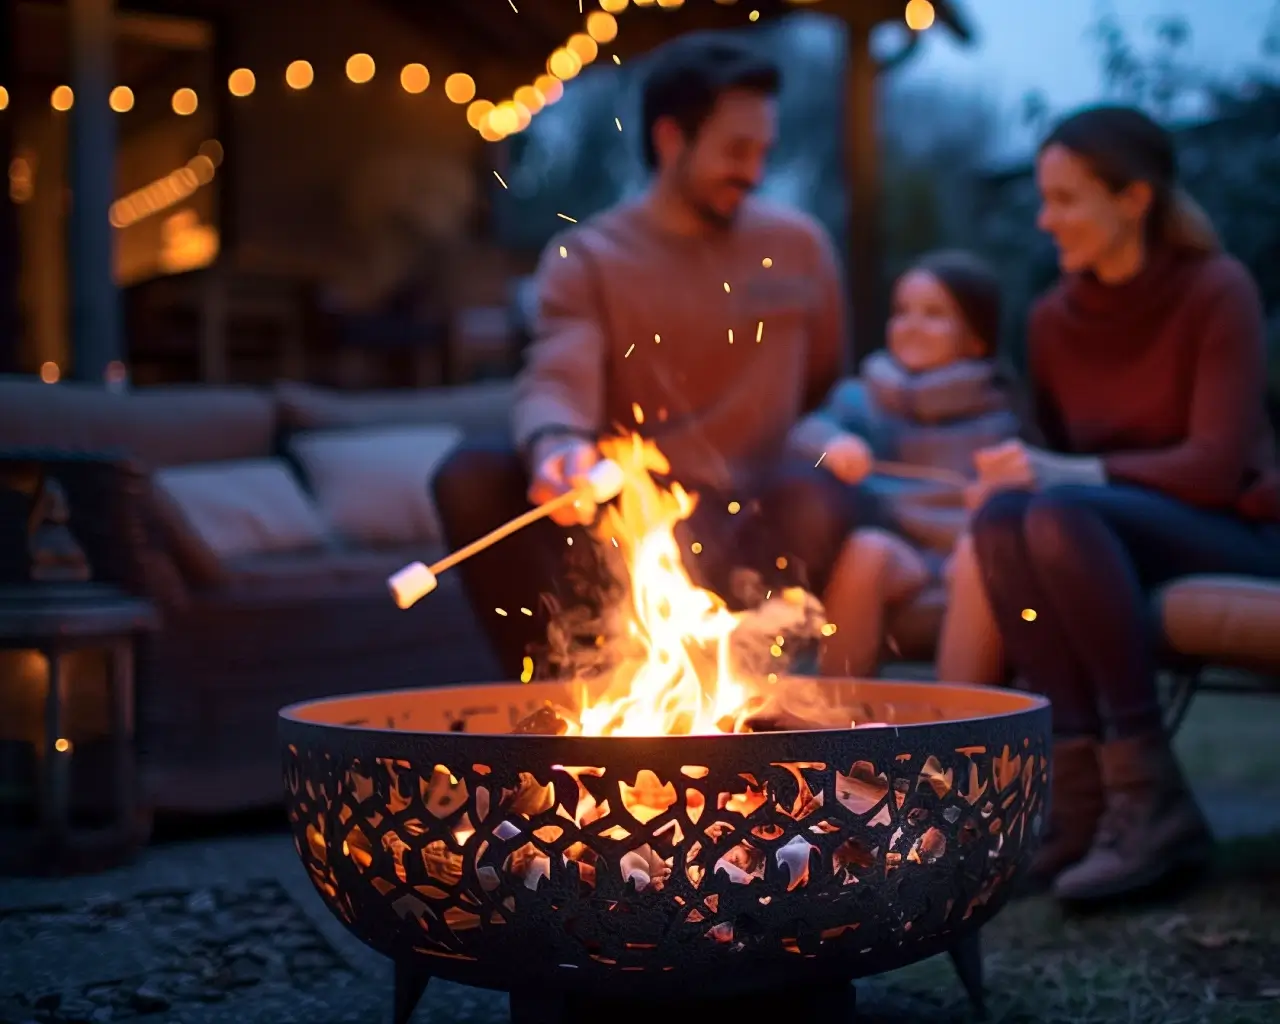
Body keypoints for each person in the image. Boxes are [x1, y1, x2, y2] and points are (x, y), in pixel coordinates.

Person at [432, 33, 870, 679]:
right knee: (471, 473)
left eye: (763, 152)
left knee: (817, 493)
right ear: (670, 139)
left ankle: (739, 705)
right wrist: (557, 448)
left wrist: (825, 433)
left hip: (753, 510)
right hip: (623, 515)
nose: (753, 172)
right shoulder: (590, 258)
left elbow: (826, 380)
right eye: (735, 151)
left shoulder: (800, 247)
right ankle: (557, 699)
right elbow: (558, 374)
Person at [967, 105, 1280, 903]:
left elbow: (1215, 468)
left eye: (1066, 199)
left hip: (1230, 528)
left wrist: (1076, 472)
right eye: (1044, 198)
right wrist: (1022, 471)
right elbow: (1048, 472)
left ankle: (1152, 804)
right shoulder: (1050, 320)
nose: (1046, 220)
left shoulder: (1216, 290)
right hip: (1107, 535)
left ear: (1133, 199)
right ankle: (1073, 804)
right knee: (1004, 518)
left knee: (1058, 511)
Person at [789, 251, 1020, 678]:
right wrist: (836, 444)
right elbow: (804, 434)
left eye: (934, 315)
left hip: (968, 555)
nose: (911, 326)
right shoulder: (864, 399)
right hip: (902, 553)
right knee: (866, 549)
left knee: (979, 554)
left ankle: (960, 725)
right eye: (902, 312)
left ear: (976, 338)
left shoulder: (1002, 411)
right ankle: (836, 719)